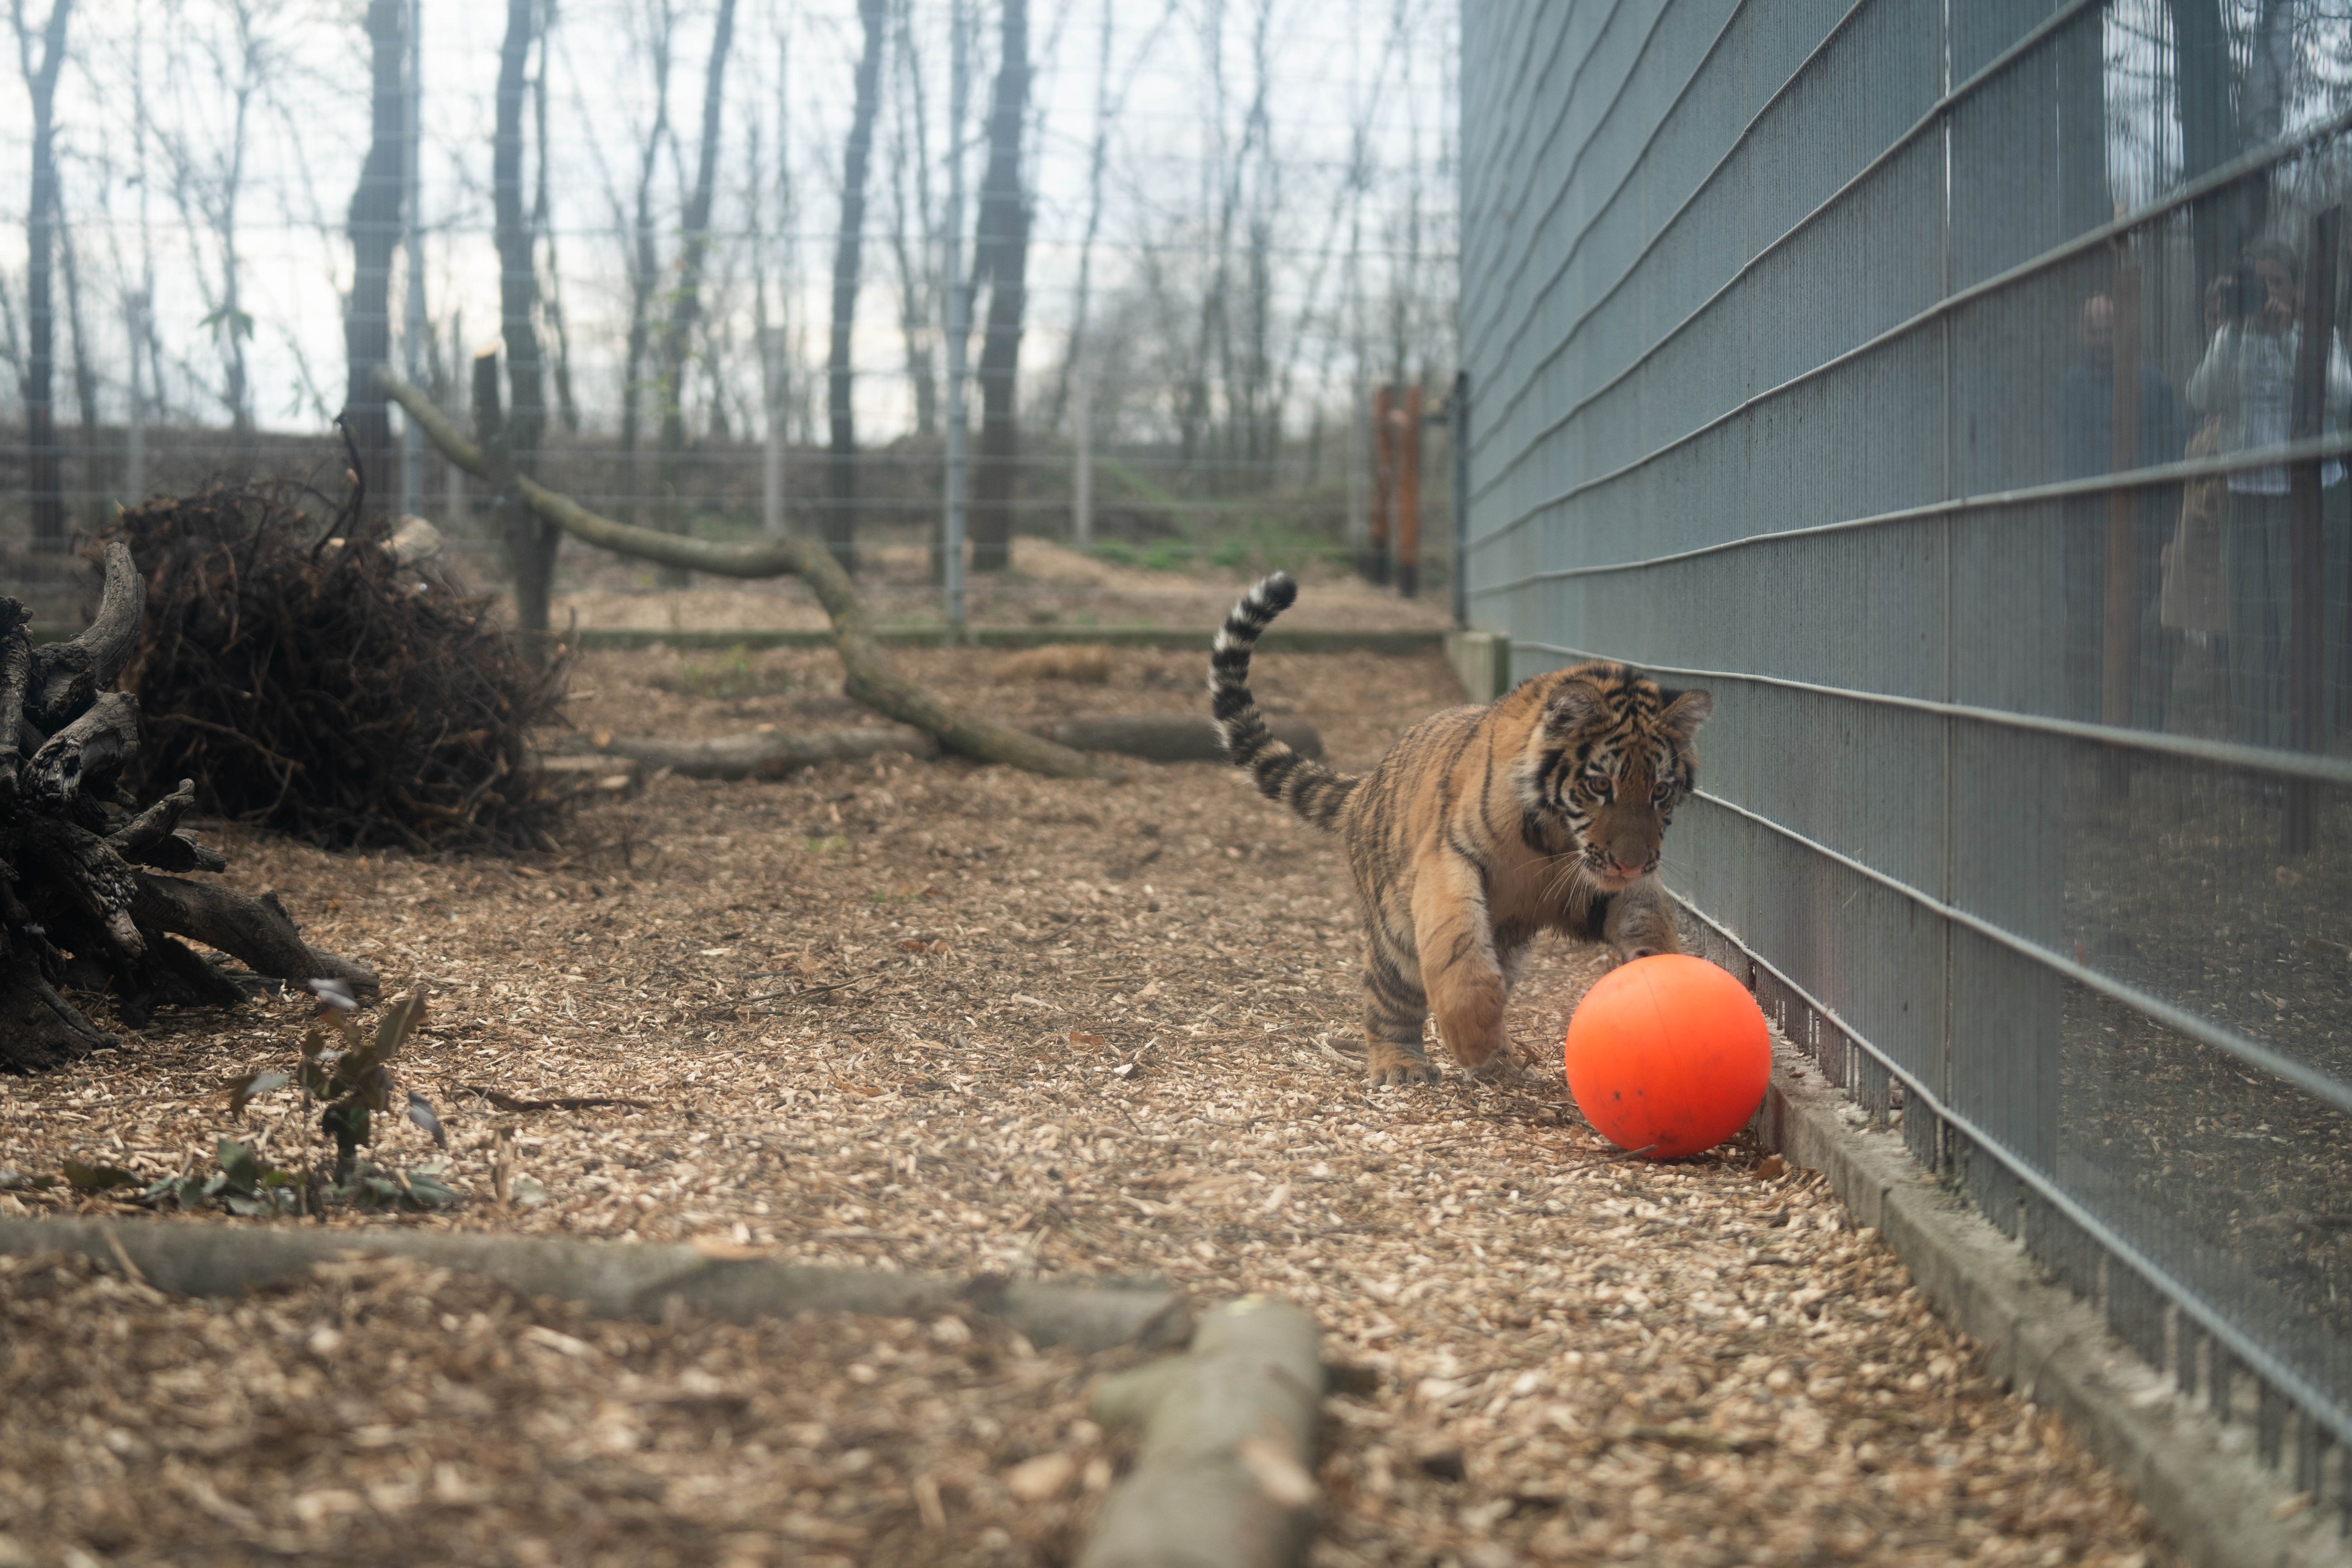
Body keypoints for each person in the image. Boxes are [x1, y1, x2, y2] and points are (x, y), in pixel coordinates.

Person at [2186, 239, 2352, 749]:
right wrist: (2234, 334)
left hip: (2306, 497)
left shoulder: (2316, 335)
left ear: (2296, 288)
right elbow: (2201, 396)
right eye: (2258, 282)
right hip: (2246, 493)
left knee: (2302, 627)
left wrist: (2290, 338)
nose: (2267, 293)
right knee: (2249, 627)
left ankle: (2303, 748)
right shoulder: (2231, 336)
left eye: (2276, 281)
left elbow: (2343, 395)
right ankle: (2255, 749)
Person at [2062, 292, 2183, 728]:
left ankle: (2145, 732)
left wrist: (2171, 534)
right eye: (2092, 332)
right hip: (2085, 529)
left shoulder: (2154, 387)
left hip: (2143, 529)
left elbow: (2172, 461)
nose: (2100, 341)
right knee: (2084, 628)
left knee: (2145, 629)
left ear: (2123, 335)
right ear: (2081, 336)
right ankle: (2088, 727)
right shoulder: (2069, 388)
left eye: (2108, 332)